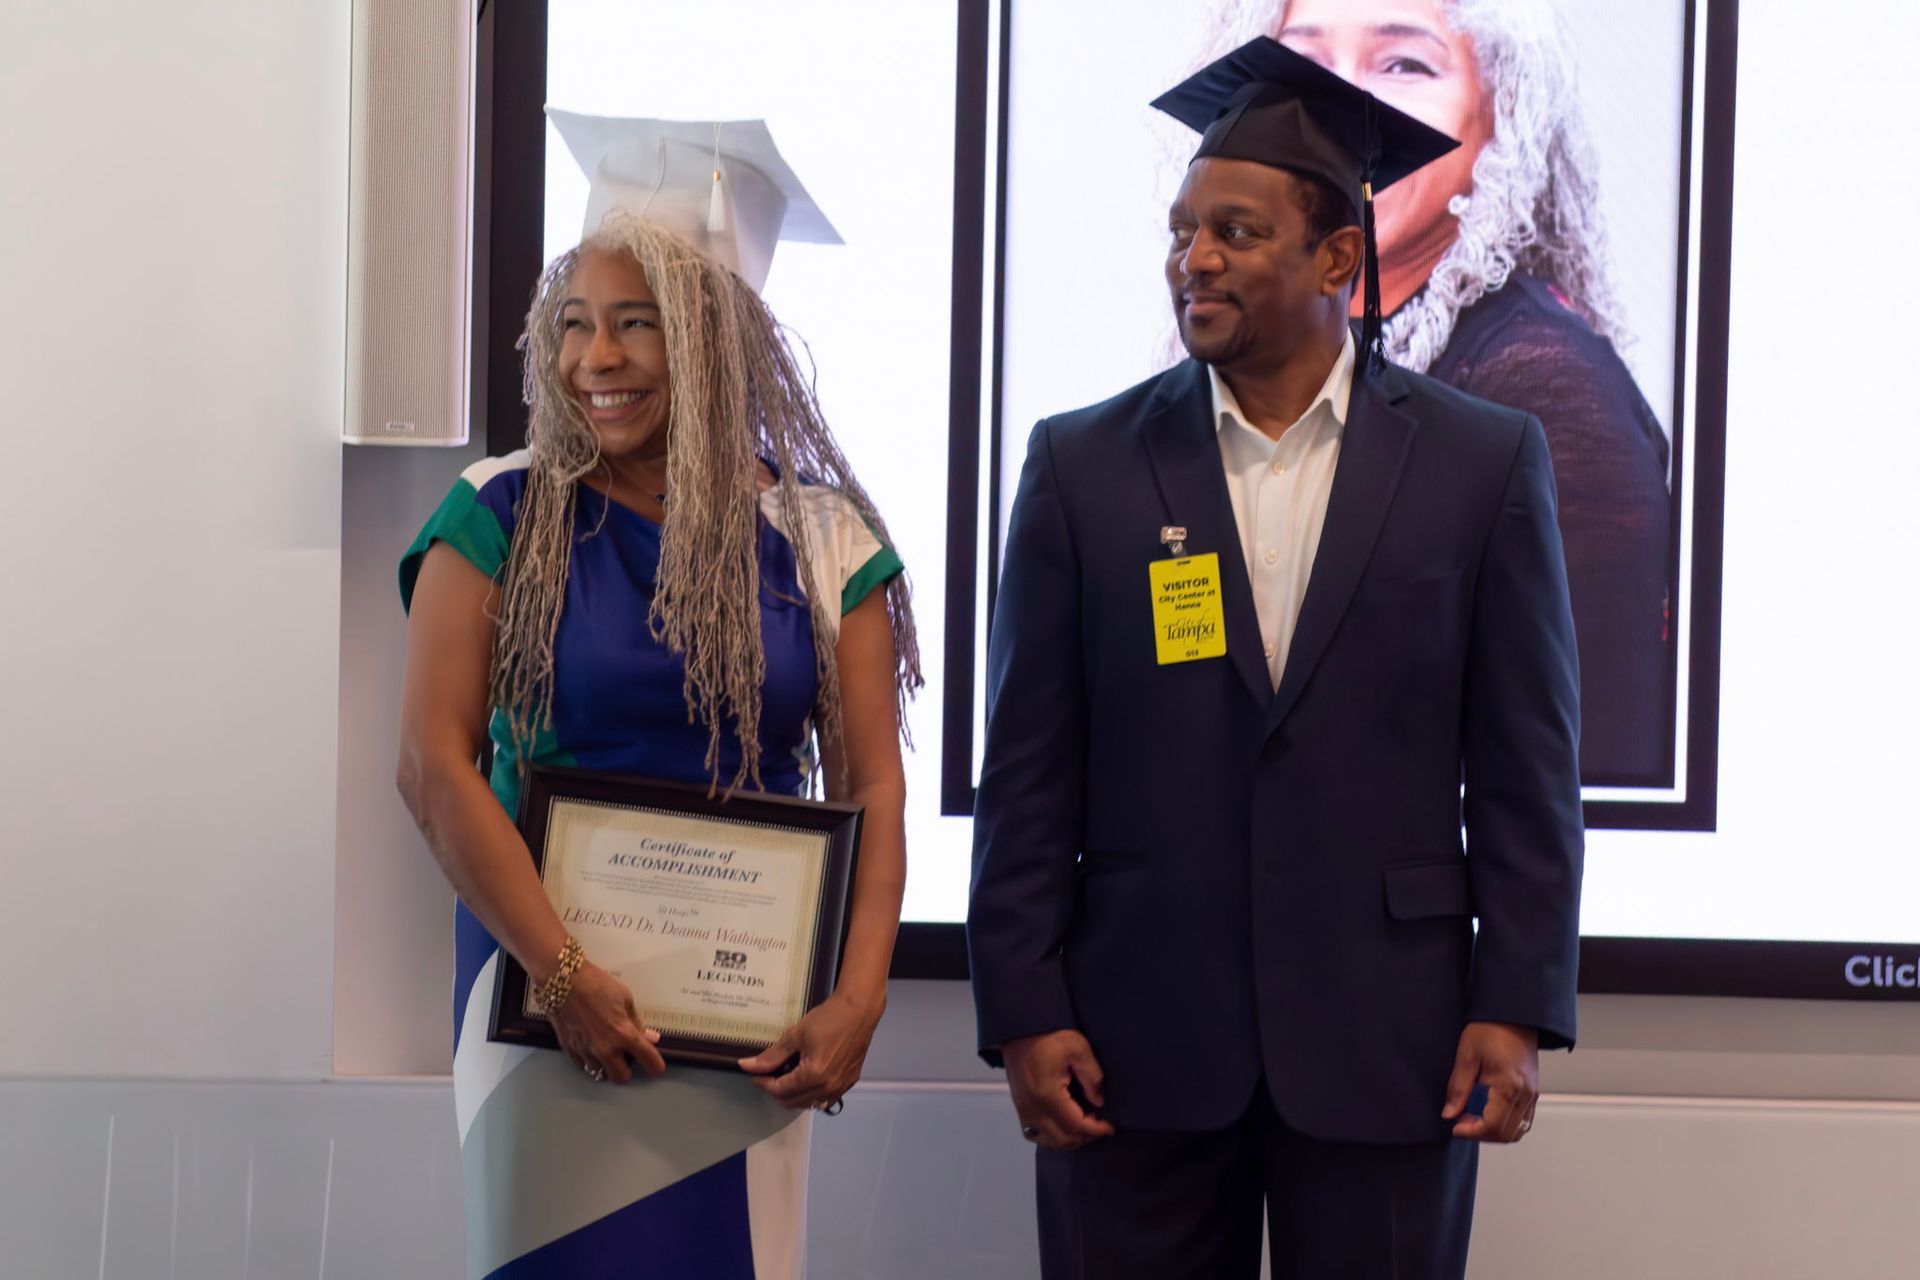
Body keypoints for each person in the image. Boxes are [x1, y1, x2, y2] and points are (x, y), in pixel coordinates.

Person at [969, 38, 1583, 1279]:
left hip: (1389, 1040)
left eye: (1236, 232)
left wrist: (1514, 1001)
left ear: (1337, 257)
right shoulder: (1080, 468)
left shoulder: (1483, 462)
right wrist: (1025, 1008)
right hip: (1132, 1044)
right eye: (1184, 229)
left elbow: (1528, 769)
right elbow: (1028, 769)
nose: (1194, 257)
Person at [396, 114, 919, 1279]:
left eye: (639, 325)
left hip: (748, 1018)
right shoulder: (500, 513)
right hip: (538, 1000)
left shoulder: (822, 537)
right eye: (576, 324)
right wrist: (563, 976)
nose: (597, 358)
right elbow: (432, 765)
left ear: (720, 339)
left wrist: (863, 992)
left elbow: (875, 780)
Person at [1190, 0, 1672, 784]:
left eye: (1404, 64)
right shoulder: (1244, 377)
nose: (1338, 107)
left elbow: (1581, 775)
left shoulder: (1545, 396)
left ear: (1502, 121)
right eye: (1304, 63)